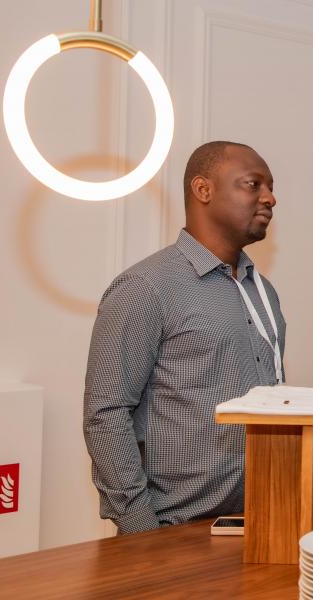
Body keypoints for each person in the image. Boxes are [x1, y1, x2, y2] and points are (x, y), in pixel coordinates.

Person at [83, 141, 285, 534]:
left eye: (271, 187)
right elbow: (105, 414)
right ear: (203, 189)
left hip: (258, 521)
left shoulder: (263, 292)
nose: (270, 198)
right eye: (253, 184)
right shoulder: (145, 287)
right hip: (171, 530)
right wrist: (141, 531)